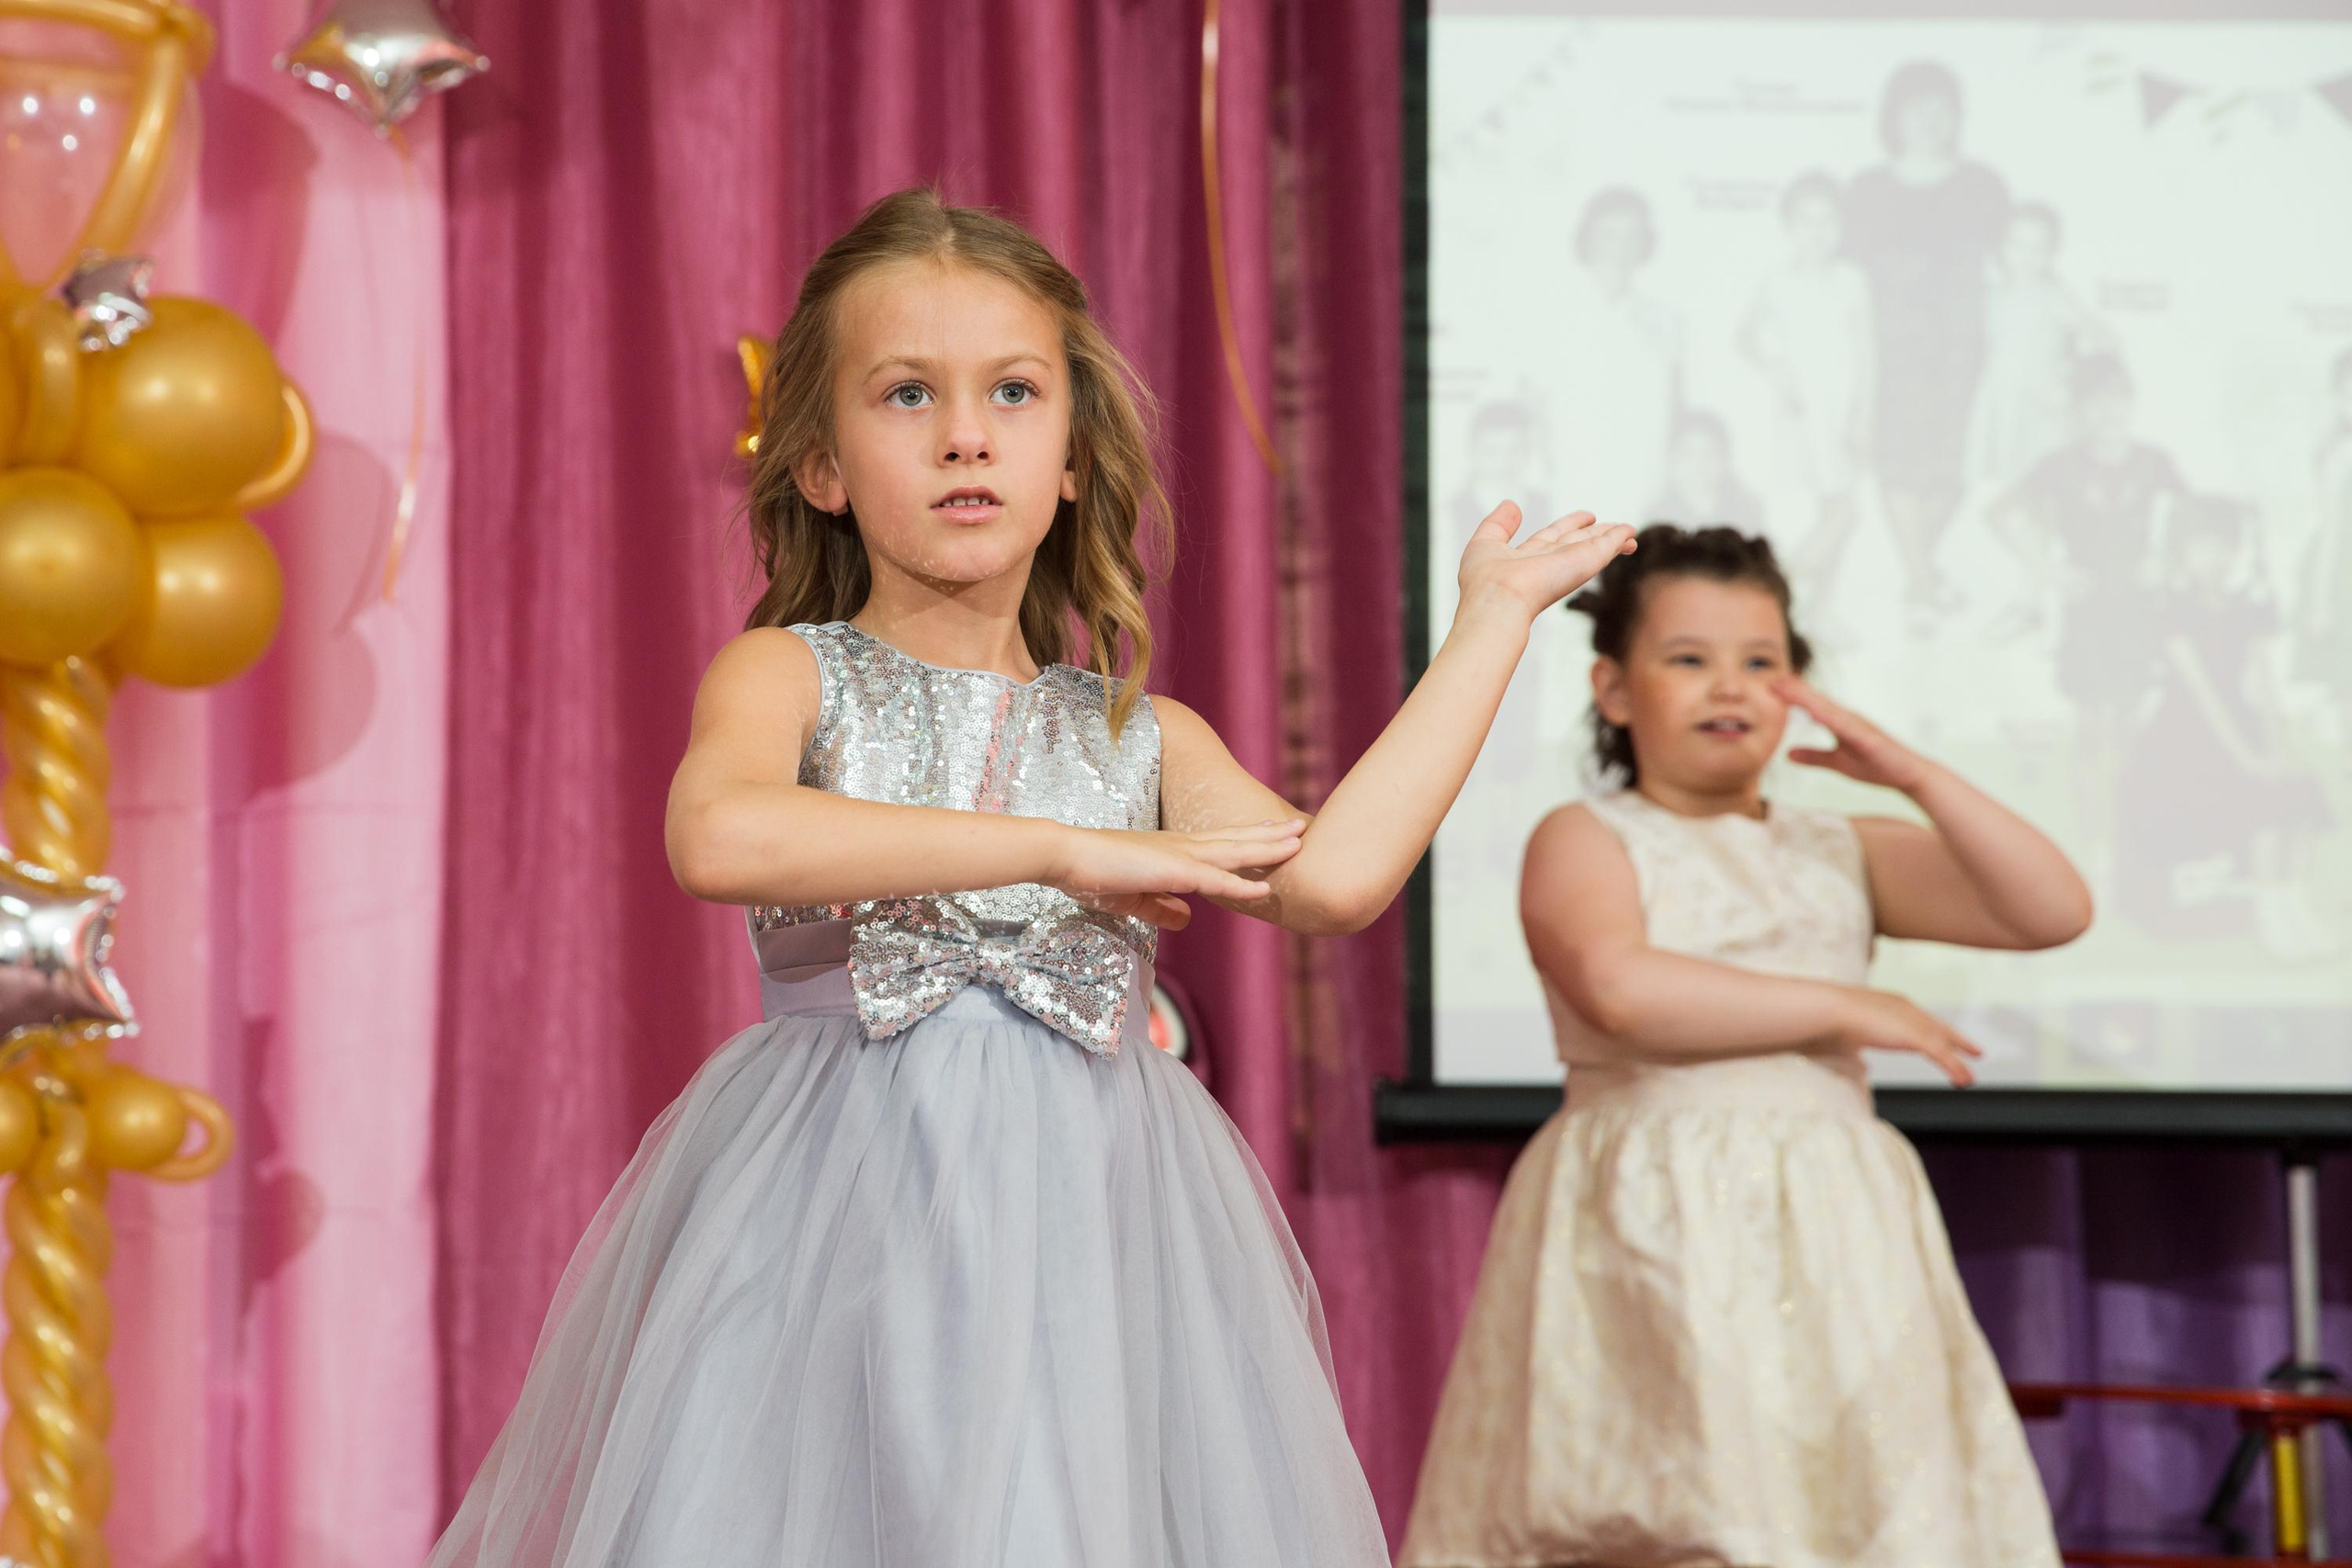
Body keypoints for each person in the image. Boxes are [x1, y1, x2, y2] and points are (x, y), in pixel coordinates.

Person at [424, 186, 1635, 1568]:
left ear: (1069, 456)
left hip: (1085, 1223)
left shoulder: (1138, 732)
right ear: (820, 463)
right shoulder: (792, 671)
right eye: (904, 394)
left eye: (1012, 391)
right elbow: (725, 835)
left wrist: (1484, 627)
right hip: (843, 1210)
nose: (964, 434)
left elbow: (1337, 877)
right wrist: (1064, 848)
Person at [1402, 525, 2086, 1568]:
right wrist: (1850, 1010)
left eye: (1761, 662)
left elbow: (2051, 910)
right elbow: (1620, 987)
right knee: (1674, 1502)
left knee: (1854, 1503)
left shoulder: (1836, 845)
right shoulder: (1585, 836)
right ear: (1614, 689)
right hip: (1653, 1206)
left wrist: (1908, 774)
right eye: (1688, 658)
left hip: (1834, 1220)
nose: (1730, 685)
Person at [1844, 61, 2011, 615]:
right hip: (1891, 358)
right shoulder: (1867, 190)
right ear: (1894, 116)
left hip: (1964, 355)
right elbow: (1847, 282)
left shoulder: (1982, 185)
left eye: (1942, 109)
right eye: (1917, 108)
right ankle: (1923, 582)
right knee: (1895, 468)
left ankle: (1920, 577)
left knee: (1951, 473)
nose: (1930, 121)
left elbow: (2010, 268)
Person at [1738, 171, 1872, 602]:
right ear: (1788, 225)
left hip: (1843, 409)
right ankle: (1791, 595)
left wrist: (1863, 415)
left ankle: (1807, 599)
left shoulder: (1851, 279)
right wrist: (1779, 372)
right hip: (1801, 411)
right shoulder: (1777, 280)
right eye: (1806, 220)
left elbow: (1868, 352)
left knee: (1842, 509)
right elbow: (1745, 336)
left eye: (1828, 221)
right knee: (1824, 508)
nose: (1817, 232)